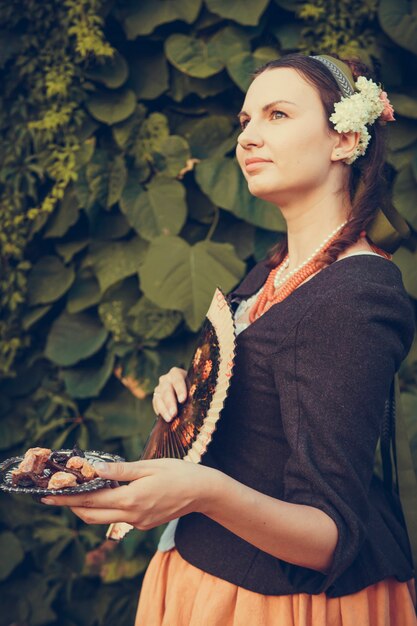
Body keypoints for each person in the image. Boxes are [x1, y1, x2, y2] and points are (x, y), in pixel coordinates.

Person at [41, 53, 417, 625]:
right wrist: (191, 386)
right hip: (204, 570)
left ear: (345, 139)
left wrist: (201, 492)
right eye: (246, 122)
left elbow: (330, 536)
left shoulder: (355, 296)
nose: (249, 137)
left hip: (278, 603)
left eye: (277, 115)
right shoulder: (276, 268)